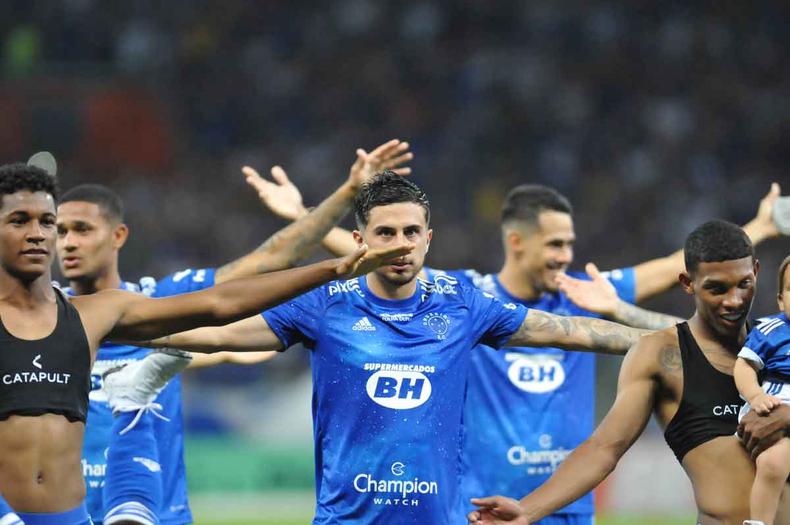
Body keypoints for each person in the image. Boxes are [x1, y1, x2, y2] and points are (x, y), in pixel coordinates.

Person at [253, 173, 784, 523]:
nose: (566, 255)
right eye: (556, 244)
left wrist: (758, 226)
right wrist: (305, 216)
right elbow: (392, 253)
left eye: (570, 244)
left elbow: (697, 267)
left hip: (568, 507)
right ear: (517, 242)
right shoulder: (466, 300)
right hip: (486, 506)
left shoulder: (581, 294)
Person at [138, 172, 651, 524]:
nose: (400, 244)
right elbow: (222, 332)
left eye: (411, 232)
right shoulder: (325, 305)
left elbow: (568, 331)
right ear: (361, 239)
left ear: (429, 238)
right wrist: (113, 330)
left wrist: (664, 343)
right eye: (385, 232)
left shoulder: (462, 305)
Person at [0, 161, 411, 525]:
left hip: (107, 509)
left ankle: (134, 402)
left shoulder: (106, 311)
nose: (46, 236)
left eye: (48, 223)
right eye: (20, 220)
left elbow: (223, 301)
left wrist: (333, 268)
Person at [467, 220, 790, 525]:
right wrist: (527, 510)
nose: (734, 301)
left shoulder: (779, 341)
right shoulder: (661, 356)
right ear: (687, 284)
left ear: (757, 272)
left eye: (743, 285)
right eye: (717, 289)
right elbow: (604, 449)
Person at [732, 255, 790, 525]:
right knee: (773, 463)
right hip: (772, 401)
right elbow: (744, 366)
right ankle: (758, 522)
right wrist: (755, 396)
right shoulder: (771, 330)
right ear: (780, 300)